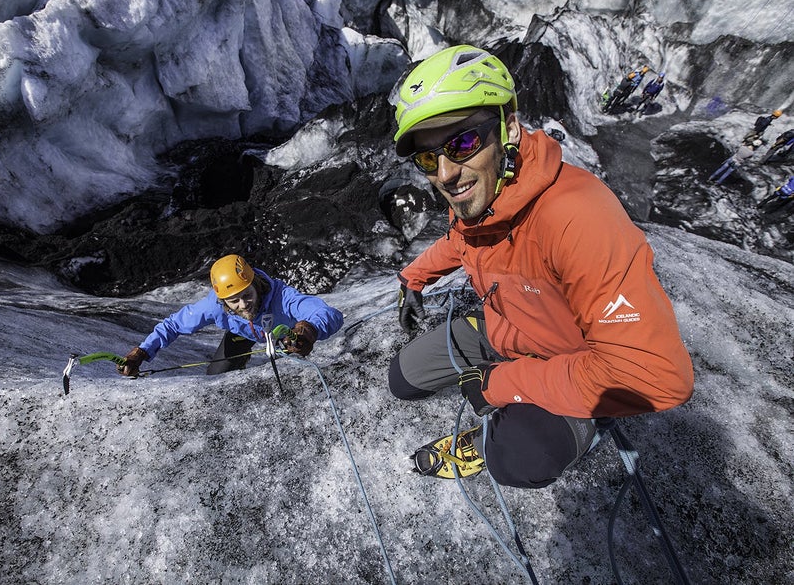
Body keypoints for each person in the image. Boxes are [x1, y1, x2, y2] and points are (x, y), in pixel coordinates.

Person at [388, 44, 694, 488]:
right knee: (403, 379)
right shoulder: (485, 195)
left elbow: (657, 375)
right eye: (428, 158)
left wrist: (502, 384)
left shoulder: (577, 217)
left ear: (508, 129)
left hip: (574, 363)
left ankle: (589, 427)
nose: (446, 174)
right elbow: (462, 242)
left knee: (517, 460)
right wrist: (413, 277)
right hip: (504, 331)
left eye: (463, 142)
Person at [117, 254, 343, 376]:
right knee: (216, 376)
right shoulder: (213, 307)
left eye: (247, 295)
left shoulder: (282, 297)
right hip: (243, 334)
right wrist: (142, 352)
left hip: (292, 337)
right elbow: (174, 325)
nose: (244, 305)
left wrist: (308, 330)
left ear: (256, 284)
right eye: (234, 301)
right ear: (222, 300)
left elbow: (328, 313)